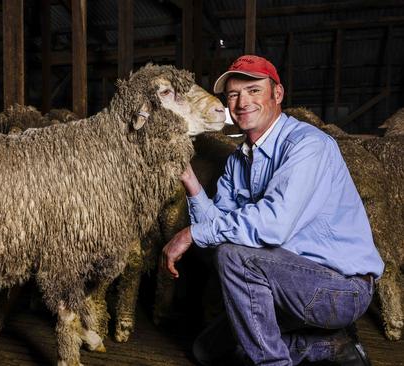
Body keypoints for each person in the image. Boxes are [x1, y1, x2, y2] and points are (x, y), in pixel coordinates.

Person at [162, 55, 383, 366]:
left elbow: (273, 225)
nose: (242, 102)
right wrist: (188, 177)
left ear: (277, 94)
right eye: (233, 95)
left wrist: (190, 233)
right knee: (207, 351)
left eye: (253, 91)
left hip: (339, 289)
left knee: (233, 256)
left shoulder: (308, 145)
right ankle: (331, 346)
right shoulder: (237, 162)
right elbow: (215, 229)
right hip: (281, 282)